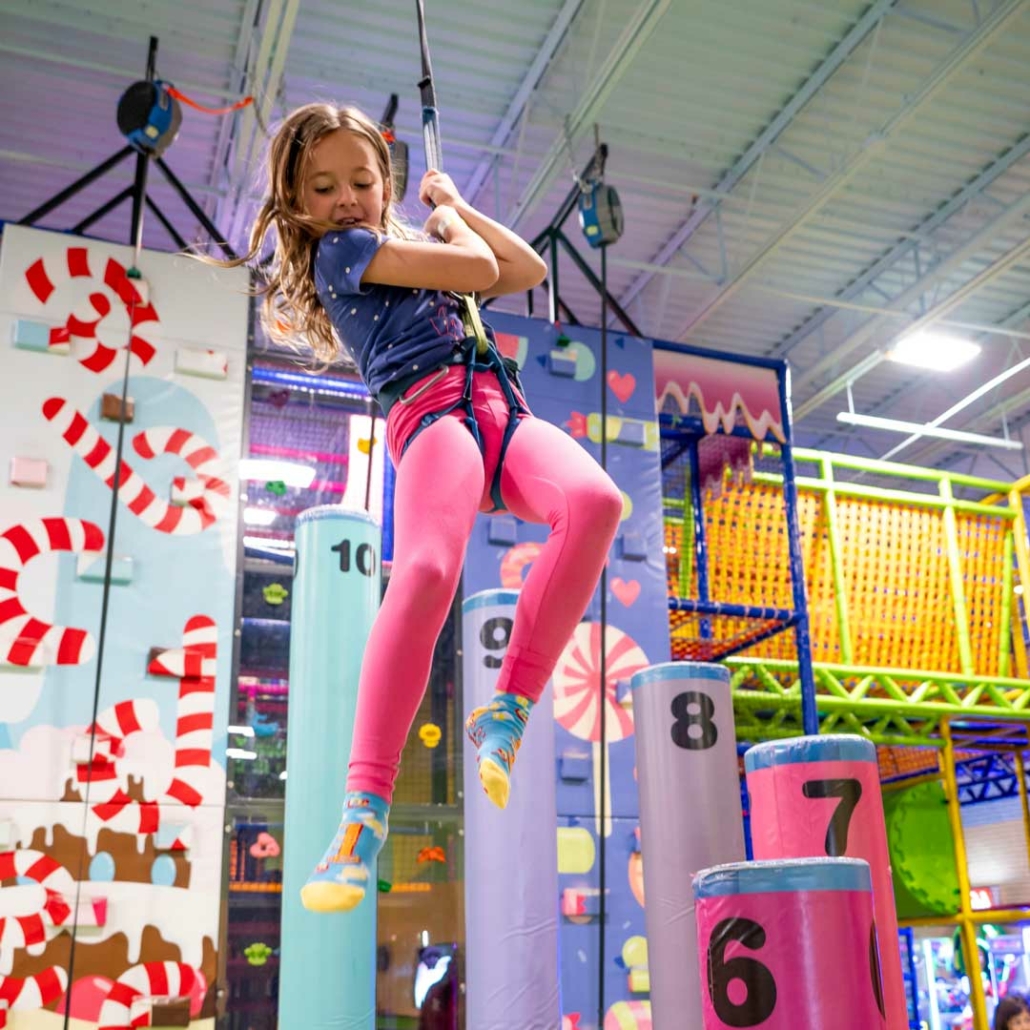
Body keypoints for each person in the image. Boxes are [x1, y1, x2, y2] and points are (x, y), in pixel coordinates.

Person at [232, 103, 623, 913]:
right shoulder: (348, 252)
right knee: (429, 568)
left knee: (595, 503)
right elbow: (481, 273)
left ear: (387, 182)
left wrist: (458, 209)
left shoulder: (412, 246)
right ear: (300, 204)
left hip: (503, 414)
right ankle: (361, 815)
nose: (346, 197)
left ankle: (507, 709)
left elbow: (525, 272)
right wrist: (449, 226)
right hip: (434, 415)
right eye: (324, 186)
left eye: (363, 182)